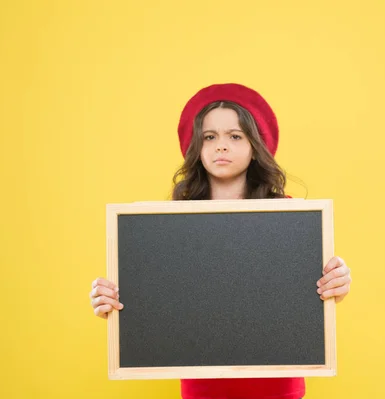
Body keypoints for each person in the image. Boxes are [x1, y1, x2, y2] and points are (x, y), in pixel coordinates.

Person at [89, 83, 352, 399]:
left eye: (235, 136)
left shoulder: (288, 214)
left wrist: (337, 280)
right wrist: (113, 301)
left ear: (255, 147)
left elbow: (307, 291)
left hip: (277, 384)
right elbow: (157, 296)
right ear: (196, 147)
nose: (221, 146)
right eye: (210, 137)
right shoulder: (169, 224)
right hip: (202, 384)